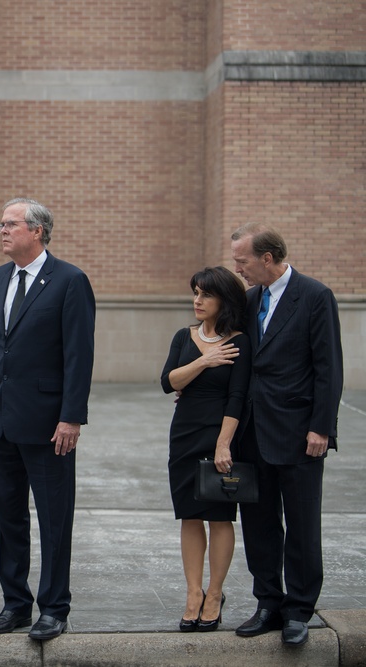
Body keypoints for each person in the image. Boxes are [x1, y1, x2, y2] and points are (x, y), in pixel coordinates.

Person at [0, 197, 95, 640]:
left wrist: (71, 417)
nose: (2, 230)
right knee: (5, 518)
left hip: (48, 425)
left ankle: (54, 608)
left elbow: (79, 355)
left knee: (55, 519)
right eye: (1, 223)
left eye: (10, 224)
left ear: (37, 231)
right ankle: (15, 604)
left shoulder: (70, 281)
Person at [230, 222, 344, 647]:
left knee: (301, 525)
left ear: (267, 258)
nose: (237, 268)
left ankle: (299, 610)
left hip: (299, 435)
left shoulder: (315, 297)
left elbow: (328, 369)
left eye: (242, 261)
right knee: (259, 524)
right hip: (252, 433)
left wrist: (321, 427)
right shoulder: (249, 299)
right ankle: (268, 603)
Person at [160, 266, 250, 632]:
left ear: (223, 300)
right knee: (189, 514)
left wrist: (224, 444)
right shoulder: (184, 336)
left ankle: (214, 594)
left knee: (220, 514)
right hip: (183, 434)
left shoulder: (240, 342)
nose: (197, 300)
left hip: (219, 435)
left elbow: (238, 397)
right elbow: (168, 382)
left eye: (205, 295)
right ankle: (193, 594)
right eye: (195, 293)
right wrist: (204, 360)